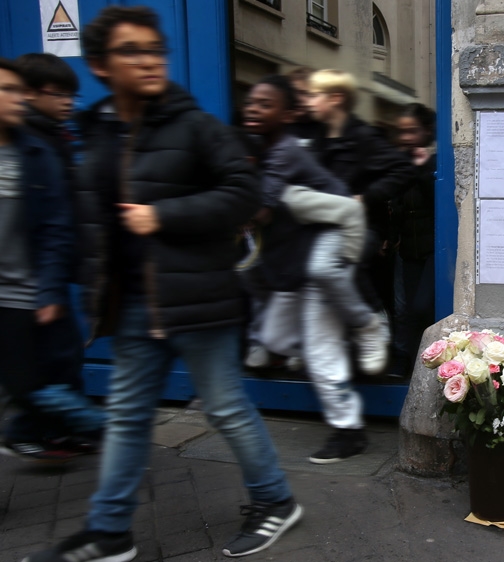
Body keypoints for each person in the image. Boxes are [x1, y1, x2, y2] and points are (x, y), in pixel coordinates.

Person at [22, 6, 300, 561]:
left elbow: (245, 193)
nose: (149, 60)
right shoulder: (97, 128)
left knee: (224, 407)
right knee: (126, 416)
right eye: (133, 51)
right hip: (130, 306)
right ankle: (109, 532)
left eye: (155, 49)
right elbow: (88, 219)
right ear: (100, 64)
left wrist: (163, 215)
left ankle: (274, 499)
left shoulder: (192, 124)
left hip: (197, 298)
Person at [240, 76, 390, 466]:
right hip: (294, 263)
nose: (254, 108)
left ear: (288, 114)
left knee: (321, 348)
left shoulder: (284, 152)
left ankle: (348, 429)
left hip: (323, 251)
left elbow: (264, 205)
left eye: (265, 104)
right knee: (275, 336)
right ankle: (340, 345)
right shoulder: (261, 147)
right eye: (251, 102)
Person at [0, 58, 105, 463]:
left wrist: (51, 284)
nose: (67, 102)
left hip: (33, 287)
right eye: (56, 93)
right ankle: (72, 426)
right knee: (37, 376)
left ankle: (68, 428)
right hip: (20, 288)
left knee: (54, 365)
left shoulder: (38, 148)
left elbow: (57, 224)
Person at [305, 69, 414, 320]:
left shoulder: (364, 137)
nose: (308, 101)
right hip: (326, 226)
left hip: (360, 228)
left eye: (314, 95)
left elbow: (403, 170)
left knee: (334, 265)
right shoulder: (316, 140)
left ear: (335, 98)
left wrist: (364, 197)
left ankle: (373, 320)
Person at [389, 103, 437, 378]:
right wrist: (390, 236)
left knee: (422, 306)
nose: (406, 137)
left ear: (427, 132)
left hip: (432, 249)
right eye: (402, 131)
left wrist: (421, 170)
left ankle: (427, 361)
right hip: (407, 249)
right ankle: (403, 360)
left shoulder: (434, 163)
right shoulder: (400, 163)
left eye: (412, 131)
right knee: (404, 309)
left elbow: (439, 201)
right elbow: (394, 203)